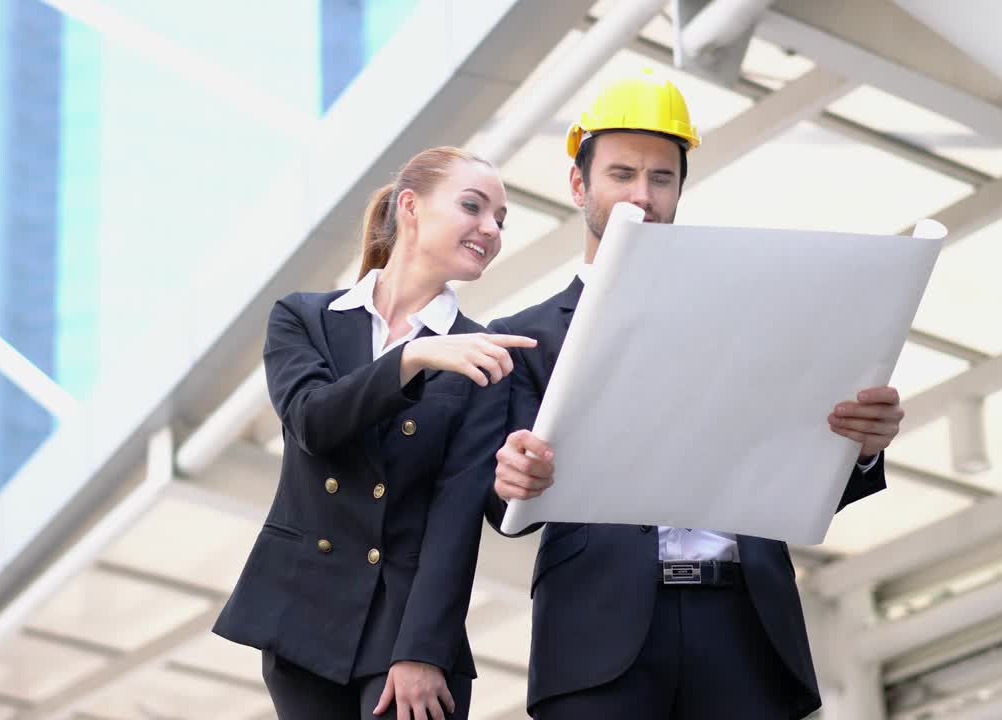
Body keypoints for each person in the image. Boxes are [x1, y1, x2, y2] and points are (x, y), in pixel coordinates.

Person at [482, 70, 906, 719]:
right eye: (621, 174)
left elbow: (797, 469)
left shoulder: (751, 315)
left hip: (744, 628)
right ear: (579, 184)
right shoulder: (521, 339)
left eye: (661, 178)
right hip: (600, 634)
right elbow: (498, 498)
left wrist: (864, 449)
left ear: (681, 187)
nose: (642, 196)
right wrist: (512, 474)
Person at [213, 146, 536, 720]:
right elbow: (313, 421)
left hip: (409, 624)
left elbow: (457, 511)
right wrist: (411, 359)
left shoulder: (481, 353)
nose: (491, 228)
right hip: (302, 615)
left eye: (501, 219)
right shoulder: (305, 318)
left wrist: (421, 651)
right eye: (473, 206)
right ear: (410, 206)